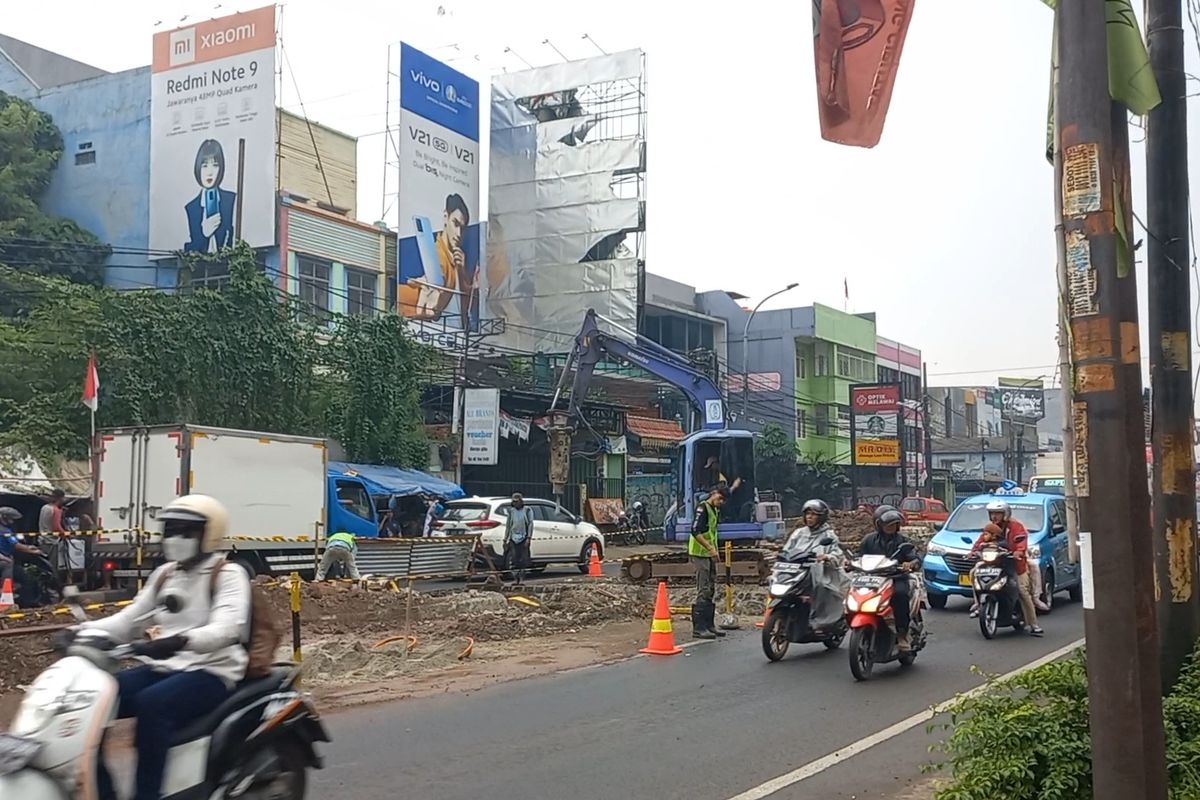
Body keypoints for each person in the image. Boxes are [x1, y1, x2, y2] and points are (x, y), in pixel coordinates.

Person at [67, 494, 251, 800]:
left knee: (152, 704)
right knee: (96, 697)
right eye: (170, 530)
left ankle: (147, 795)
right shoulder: (166, 574)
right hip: (165, 666)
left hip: (212, 670)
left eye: (186, 531)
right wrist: (76, 631)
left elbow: (227, 629)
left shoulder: (229, 574)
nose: (175, 538)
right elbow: (127, 621)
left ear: (209, 534)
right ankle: (102, 791)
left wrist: (181, 640)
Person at [398, 193, 477, 326]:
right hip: (436, 333)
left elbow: (469, 304)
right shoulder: (438, 253)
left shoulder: (459, 259)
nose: (458, 234)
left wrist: (462, 271)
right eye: (455, 224)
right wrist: (426, 285)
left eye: (462, 229)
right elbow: (436, 276)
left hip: (459, 337)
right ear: (446, 217)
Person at [971, 499, 1042, 636]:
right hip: (994, 563)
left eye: (998, 513)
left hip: (1014, 564)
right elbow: (980, 541)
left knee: (1022, 591)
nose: (994, 517)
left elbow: (1021, 541)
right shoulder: (990, 528)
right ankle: (977, 603)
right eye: (992, 514)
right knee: (974, 572)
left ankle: (1033, 624)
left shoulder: (1016, 527)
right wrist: (973, 552)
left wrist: (1018, 551)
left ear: (1006, 514)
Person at [782, 499, 850, 631]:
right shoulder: (799, 533)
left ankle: (819, 619)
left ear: (821, 517)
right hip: (797, 571)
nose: (809, 517)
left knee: (819, 586)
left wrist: (827, 557)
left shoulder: (828, 535)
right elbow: (787, 550)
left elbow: (838, 555)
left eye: (813, 514)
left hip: (821, 572)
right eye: (807, 514)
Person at [858, 506, 920, 650]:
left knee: (900, 595)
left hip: (896, 578)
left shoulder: (903, 541)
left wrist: (910, 563)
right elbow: (858, 556)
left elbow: (915, 558)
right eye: (887, 524)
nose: (891, 527)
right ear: (878, 525)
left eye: (894, 524)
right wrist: (850, 563)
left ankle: (902, 634)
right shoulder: (868, 540)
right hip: (873, 577)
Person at [689, 486, 729, 640]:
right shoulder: (702, 508)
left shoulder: (715, 510)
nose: (721, 502)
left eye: (723, 500)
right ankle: (699, 628)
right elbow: (695, 530)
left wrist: (714, 551)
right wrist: (710, 548)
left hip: (709, 553)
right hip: (699, 553)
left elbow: (712, 532)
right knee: (703, 588)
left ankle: (709, 624)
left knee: (711, 587)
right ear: (713, 494)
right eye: (720, 498)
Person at [183, 139, 236, 253]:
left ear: (221, 168)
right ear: (198, 167)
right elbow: (189, 251)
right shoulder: (191, 208)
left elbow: (235, 241)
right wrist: (204, 234)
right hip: (201, 269)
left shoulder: (231, 201)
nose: (210, 172)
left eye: (215, 165)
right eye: (205, 165)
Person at [504, 493, 535, 585]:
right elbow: (508, 525)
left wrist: (529, 538)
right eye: (514, 502)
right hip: (513, 538)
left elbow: (530, 524)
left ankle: (521, 578)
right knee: (514, 559)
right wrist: (505, 539)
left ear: (521, 501)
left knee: (524, 559)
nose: (515, 504)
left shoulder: (527, 510)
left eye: (517, 502)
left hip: (524, 537)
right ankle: (515, 578)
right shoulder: (511, 511)